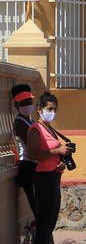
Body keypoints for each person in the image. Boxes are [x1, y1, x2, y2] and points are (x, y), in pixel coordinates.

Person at [25, 92, 70, 244]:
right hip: (42, 178)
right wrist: (57, 151)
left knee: (51, 220)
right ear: (39, 110)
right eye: (49, 109)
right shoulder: (35, 129)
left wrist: (60, 162)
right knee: (44, 222)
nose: (52, 112)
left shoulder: (49, 128)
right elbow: (34, 153)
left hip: (53, 176)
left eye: (54, 109)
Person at [10, 84, 37, 217]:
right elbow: (33, 146)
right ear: (17, 106)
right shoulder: (19, 123)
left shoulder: (30, 121)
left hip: (34, 165)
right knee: (36, 206)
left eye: (30, 102)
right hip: (27, 166)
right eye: (24, 103)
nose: (28, 105)